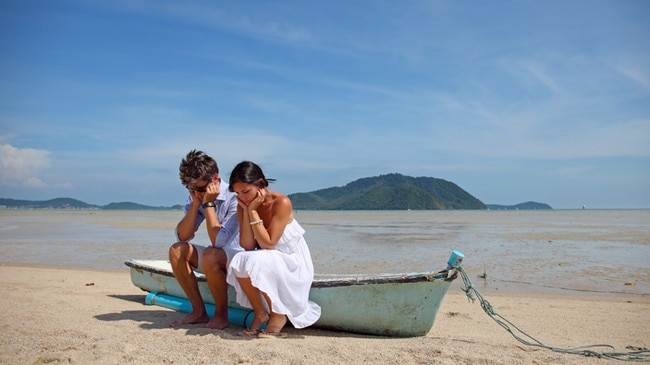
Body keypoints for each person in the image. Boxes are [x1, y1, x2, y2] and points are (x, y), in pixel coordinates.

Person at [226, 161, 321, 338]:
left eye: (246, 191)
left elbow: (268, 243)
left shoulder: (281, 202)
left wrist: (253, 212)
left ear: (260, 184)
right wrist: (247, 211)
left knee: (256, 259)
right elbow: (247, 245)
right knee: (238, 260)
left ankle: (278, 315)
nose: (243, 198)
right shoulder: (244, 205)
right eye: (238, 193)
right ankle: (260, 312)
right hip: (270, 259)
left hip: (292, 262)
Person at [168, 150, 241, 329]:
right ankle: (198, 311)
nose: (197, 193)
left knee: (211, 252)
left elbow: (221, 242)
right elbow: (182, 236)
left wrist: (209, 203)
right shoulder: (197, 194)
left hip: (241, 256)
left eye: (200, 189)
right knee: (177, 250)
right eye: (192, 189)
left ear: (214, 179)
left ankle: (221, 315)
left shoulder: (235, 195)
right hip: (217, 256)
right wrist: (195, 204)